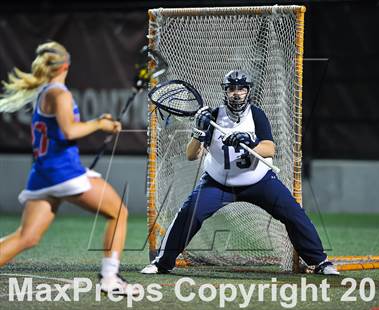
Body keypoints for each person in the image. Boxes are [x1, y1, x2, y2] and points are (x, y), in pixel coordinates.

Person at [141, 69, 339, 275]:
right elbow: (192, 155)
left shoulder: (257, 115)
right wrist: (199, 132)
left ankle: (320, 261)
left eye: (241, 88)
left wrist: (250, 142)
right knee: (189, 214)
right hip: (217, 183)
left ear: (248, 91)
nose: (237, 93)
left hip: (258, 181)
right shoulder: (213, 116)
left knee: (293, 213)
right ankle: (161, 263)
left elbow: (269, 149)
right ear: (225, 92)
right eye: (232, 88)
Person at [0, 41, 138, 294]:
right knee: (119, 212)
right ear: (66, 65)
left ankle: (110, 279)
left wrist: (99, 123)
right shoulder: (59, 94)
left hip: (43, 174)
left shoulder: (45, 92)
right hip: (63, 172)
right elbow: (69, 131)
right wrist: (99, 124)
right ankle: (110, 279)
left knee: (27, 237)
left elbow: (63, 130)